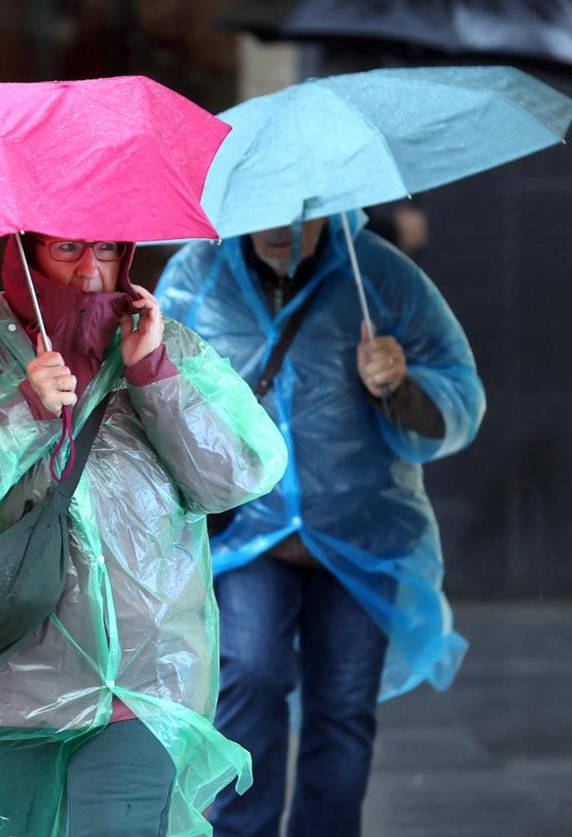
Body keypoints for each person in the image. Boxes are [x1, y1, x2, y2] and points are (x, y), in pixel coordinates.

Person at [0, 233, 288, 836]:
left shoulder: (155, 338)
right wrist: (19, 407)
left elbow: (239, 473)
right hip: (9, 678)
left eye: (108, 249)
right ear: (29, 252)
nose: (89, 269)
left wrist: (153, 374)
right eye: (67, 249)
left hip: (142, 680)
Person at [155, 211, 486, 837]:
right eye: (265, 210)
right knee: (250, 675)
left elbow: (460, 389)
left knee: (343, 706)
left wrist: (400, 384)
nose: (281, 226)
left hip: (363, 535)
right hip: (250, 535)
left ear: (329, 206)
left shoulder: (379, 274)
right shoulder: (196, 277)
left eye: (299, 212)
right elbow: (151, 386)